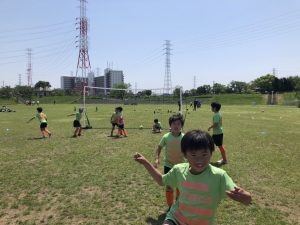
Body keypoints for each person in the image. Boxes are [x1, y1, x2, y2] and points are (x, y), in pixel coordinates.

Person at [134, 130, 252, 225]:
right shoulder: (179, 170)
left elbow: (245, 199)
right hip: (176, 218)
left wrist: (246, 197)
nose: (199, 160)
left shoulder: (219, 176)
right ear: (185, 155)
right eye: (193, 155)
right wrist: (146, 163)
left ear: (211, 153)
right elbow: (161, 180)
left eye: (204, 154)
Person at [153, 113, 185, 210]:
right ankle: (170, 207)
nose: (176, 126)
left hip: (181, 166)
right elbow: (159, 147)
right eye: (174, 124)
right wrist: (157, 158)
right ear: (170, 125)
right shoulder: (166, 137)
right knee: (169, 187)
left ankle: (178, 204)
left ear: (182, 125)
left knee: (180, 187)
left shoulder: (184, 137)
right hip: (169, 166)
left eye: (178, 124)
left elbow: (189, 150)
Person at [208, 102, 227, 166]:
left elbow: (215, 124)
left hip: (217, 134)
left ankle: (224, 160)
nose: (211, 108)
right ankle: (224, 160)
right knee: (211, 145)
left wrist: (210, 127)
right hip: (217, 133)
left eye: (212, 107)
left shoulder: (216, 115)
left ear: (215, 108)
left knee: (217, 146)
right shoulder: (218, 114)